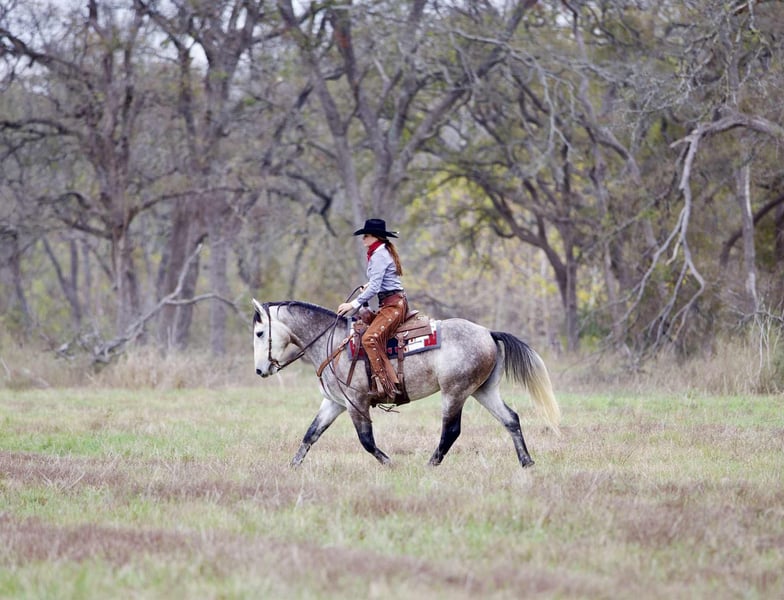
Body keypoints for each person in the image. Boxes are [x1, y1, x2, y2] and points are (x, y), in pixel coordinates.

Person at [337, 218, 408, 401]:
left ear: (376, 237)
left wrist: (353, 304)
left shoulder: (379, 255)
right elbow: (381, 281)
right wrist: (369, 285)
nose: (363, 239)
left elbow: (376, 287)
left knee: (368, 339)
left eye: (366, 235)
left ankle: (386, 385)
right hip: (390, 303)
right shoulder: (380, 252)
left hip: (393, 305)